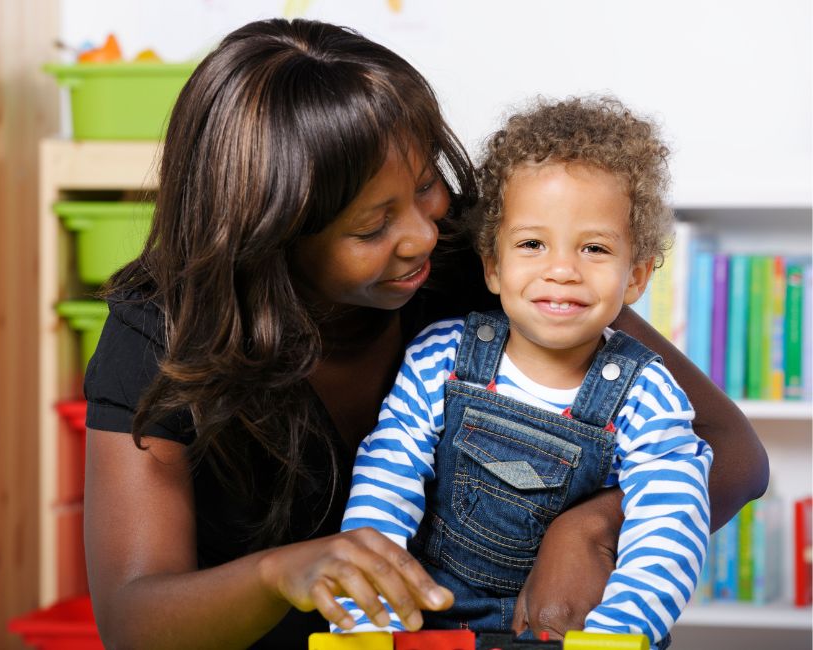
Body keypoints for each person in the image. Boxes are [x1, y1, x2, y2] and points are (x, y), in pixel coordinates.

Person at [82, 19, 767, 649]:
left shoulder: (500, 256)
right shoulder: (159, 333)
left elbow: (732, 450)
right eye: (372, 226)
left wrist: (591, 529)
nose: (423, 234)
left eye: (425, 184)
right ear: (272, 241)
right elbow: (133, 619)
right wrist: (277, 575)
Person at [334, 97, 709, 648]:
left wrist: (615, 634)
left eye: (595, 248)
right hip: (431, 629)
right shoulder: (440, 357)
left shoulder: (648, 396)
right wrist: (366, 618)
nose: (561, 270)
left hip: (571, 633)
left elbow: (668, 531)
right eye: (532, 244)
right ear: (492, 264)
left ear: (637, 276)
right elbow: (386, 484)